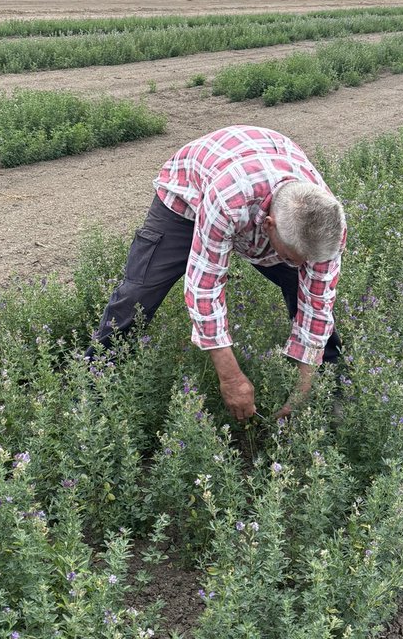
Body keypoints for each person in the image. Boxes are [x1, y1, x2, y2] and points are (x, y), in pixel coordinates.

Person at [89, 125, 346, 421]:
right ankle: (94, 379)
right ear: (269, 225)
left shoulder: (327, 223)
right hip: (188, 197)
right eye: (289, 257)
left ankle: (330, 389)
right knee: (140, 292)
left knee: (304, 291)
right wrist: (231, 378)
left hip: (260, 178)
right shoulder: (228, 201)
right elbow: (205, 286)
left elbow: (318, 303)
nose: (300, 266)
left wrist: (302, 391)